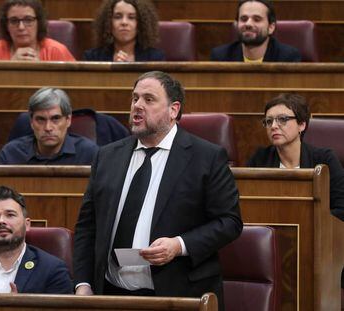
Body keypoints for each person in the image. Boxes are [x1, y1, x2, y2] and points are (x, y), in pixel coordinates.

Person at [73, 70, 242, 310]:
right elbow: (87, 226)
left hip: (175, 295)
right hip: (109, 295)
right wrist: (83, 283)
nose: (137, 106)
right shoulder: (107, 156)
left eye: (149, 99)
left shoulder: (206, 157)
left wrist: (179, 245)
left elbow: (229, 222)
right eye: (134, 98)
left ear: (173, 110)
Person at [247, 93, 344, 221]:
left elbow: (341, 208)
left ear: (302, 125)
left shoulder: (325, 159)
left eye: (282, 119)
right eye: (269, 121)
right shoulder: (260, 158)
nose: (274, 126)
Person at [0, 87, 98, 165]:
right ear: (31, 122)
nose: (48, 128)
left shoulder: (90, 154)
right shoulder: (11, 154)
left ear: (68, 120)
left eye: (56, 119)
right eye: (41, 119)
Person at [0, 0, 75, 61]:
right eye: (14, 21)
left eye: (28, 20)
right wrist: (9, 68)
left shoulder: (57, 51)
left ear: (39, 23)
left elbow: (74, 85)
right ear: (6, 25)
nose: (21, 27)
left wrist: (41, 70)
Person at [210, 0, 301, 62]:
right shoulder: (220, 56)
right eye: (243, 19)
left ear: (271, 28)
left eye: (257, 19)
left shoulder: (288, 57)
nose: (248, 24)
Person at [83, 0, 165, 62]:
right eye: (118, 17)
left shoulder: (155, 58)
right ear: (108, 22)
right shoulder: (92, 57)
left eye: (131, 17)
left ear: (141, 24)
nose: (124, 22)